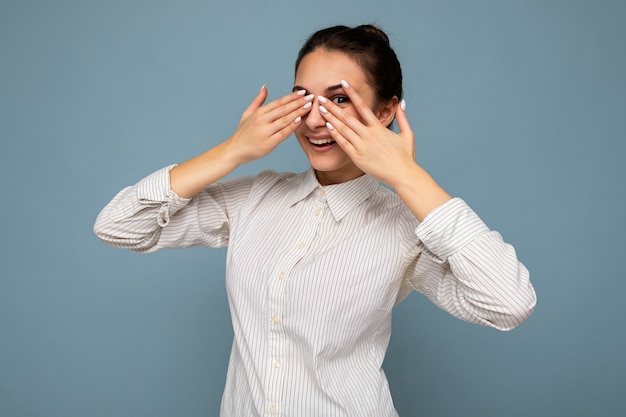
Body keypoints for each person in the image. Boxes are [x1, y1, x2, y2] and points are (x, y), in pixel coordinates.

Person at [94, 24, 536, 417]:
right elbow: (118, 225)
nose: (313, 118)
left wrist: (407, 176)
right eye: (304, 97)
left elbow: (508, 303)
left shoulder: (406, 226)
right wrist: (232, 151)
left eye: (339, 99)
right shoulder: (257, 196)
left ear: (385, 113)